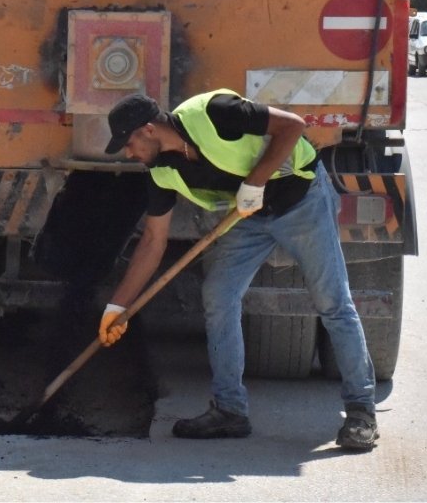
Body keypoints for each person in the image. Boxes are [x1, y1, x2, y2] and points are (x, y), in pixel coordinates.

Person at [98, 89, 379, 451]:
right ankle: (230, 410)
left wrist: (257, 180)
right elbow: (153, 240)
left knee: (333, 302)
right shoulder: (161, 170)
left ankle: (361, 412)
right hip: (247, 217)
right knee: (218, 294)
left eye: (129, 142)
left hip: (300, 201)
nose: (128, 153)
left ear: (149, 130)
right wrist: (117, 307)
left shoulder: (214, 112)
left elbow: (292, 127)